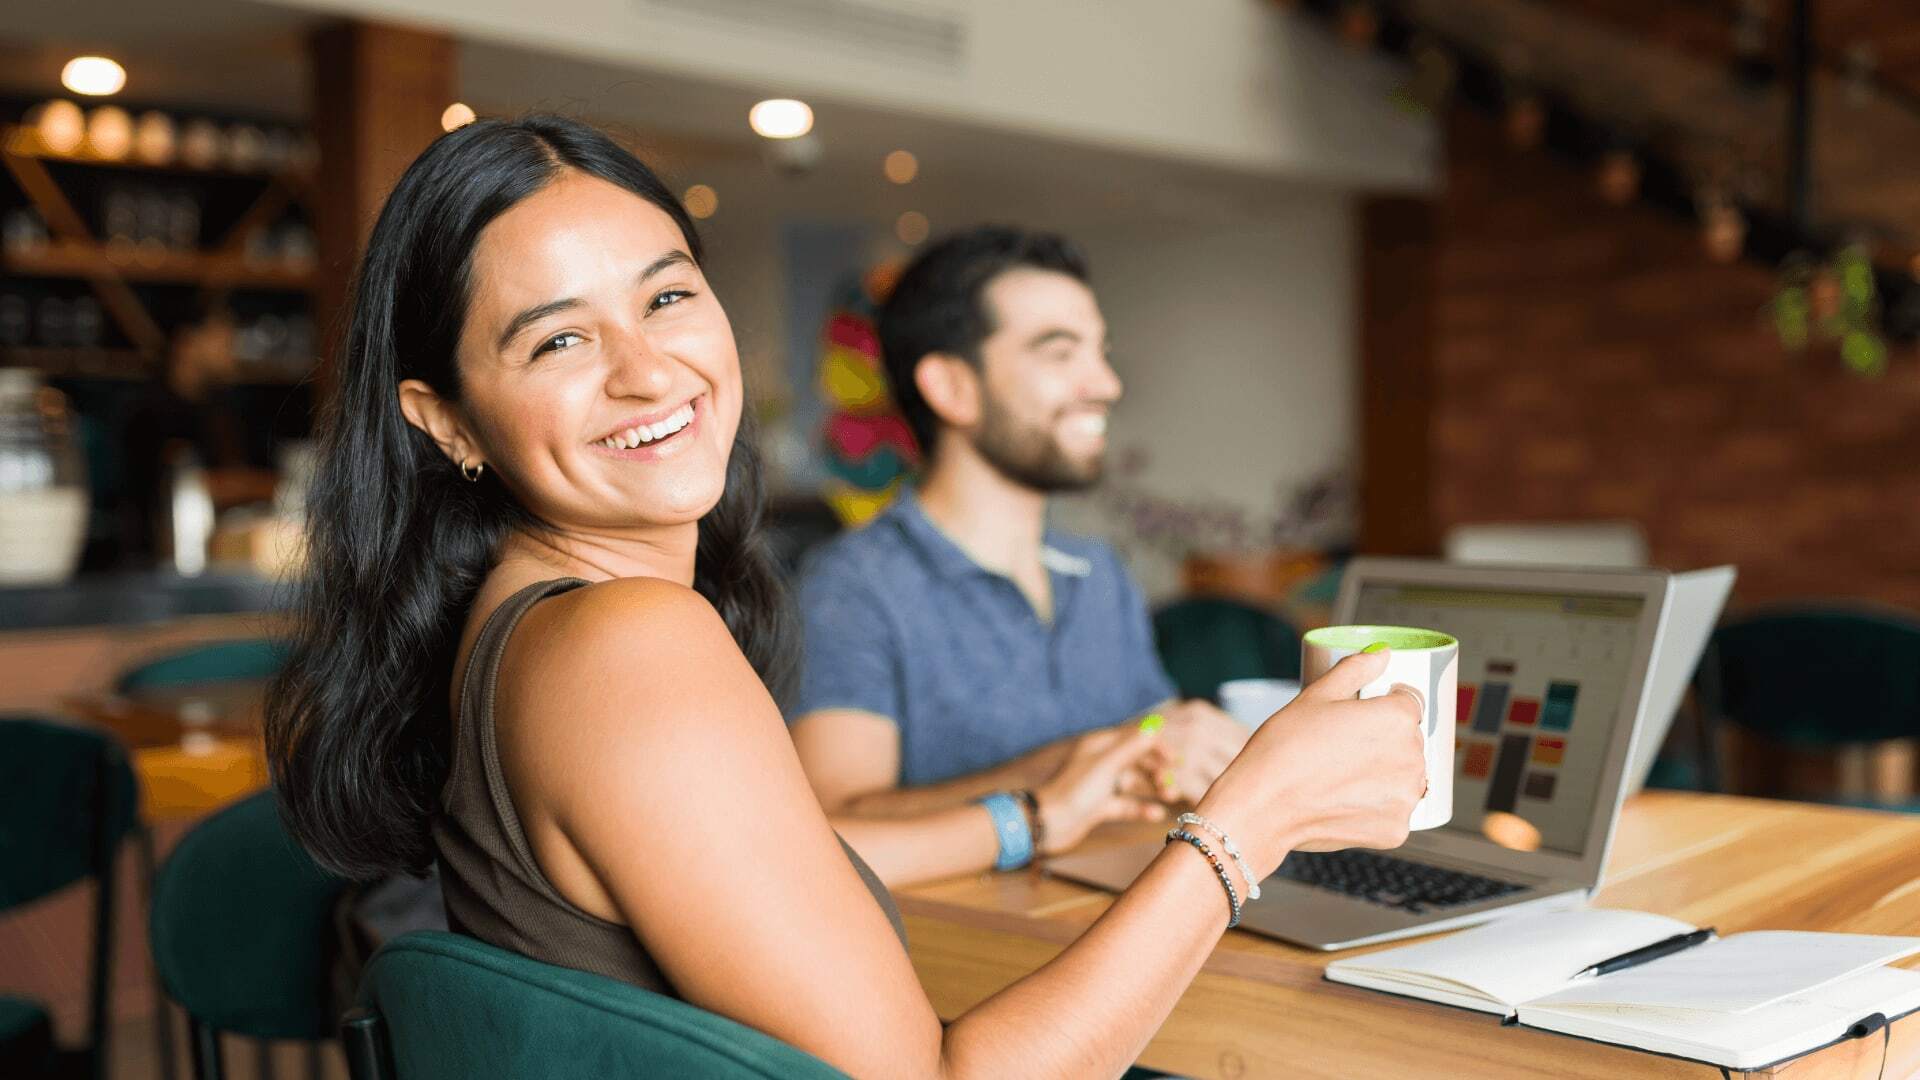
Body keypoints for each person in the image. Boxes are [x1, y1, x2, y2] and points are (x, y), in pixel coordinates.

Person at [265, 115, 1425, 1079]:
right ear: (447, 420)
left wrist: (1037, 814)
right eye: (559, 339)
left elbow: (768, 858)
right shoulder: (624, 642)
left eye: (667, 299)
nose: (649, 369)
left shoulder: (542, 626)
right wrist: (1252, 818)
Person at [790, 227, 1255, 885]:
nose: (1107, 384)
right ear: (952, 387)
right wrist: (1075, 763)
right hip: (967, 961)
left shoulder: (1099, 573)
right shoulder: (852, 585)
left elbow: (1152, 762)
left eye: (1101, 352)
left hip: (1123, 927)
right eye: (1060, 353)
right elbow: (827, 825)